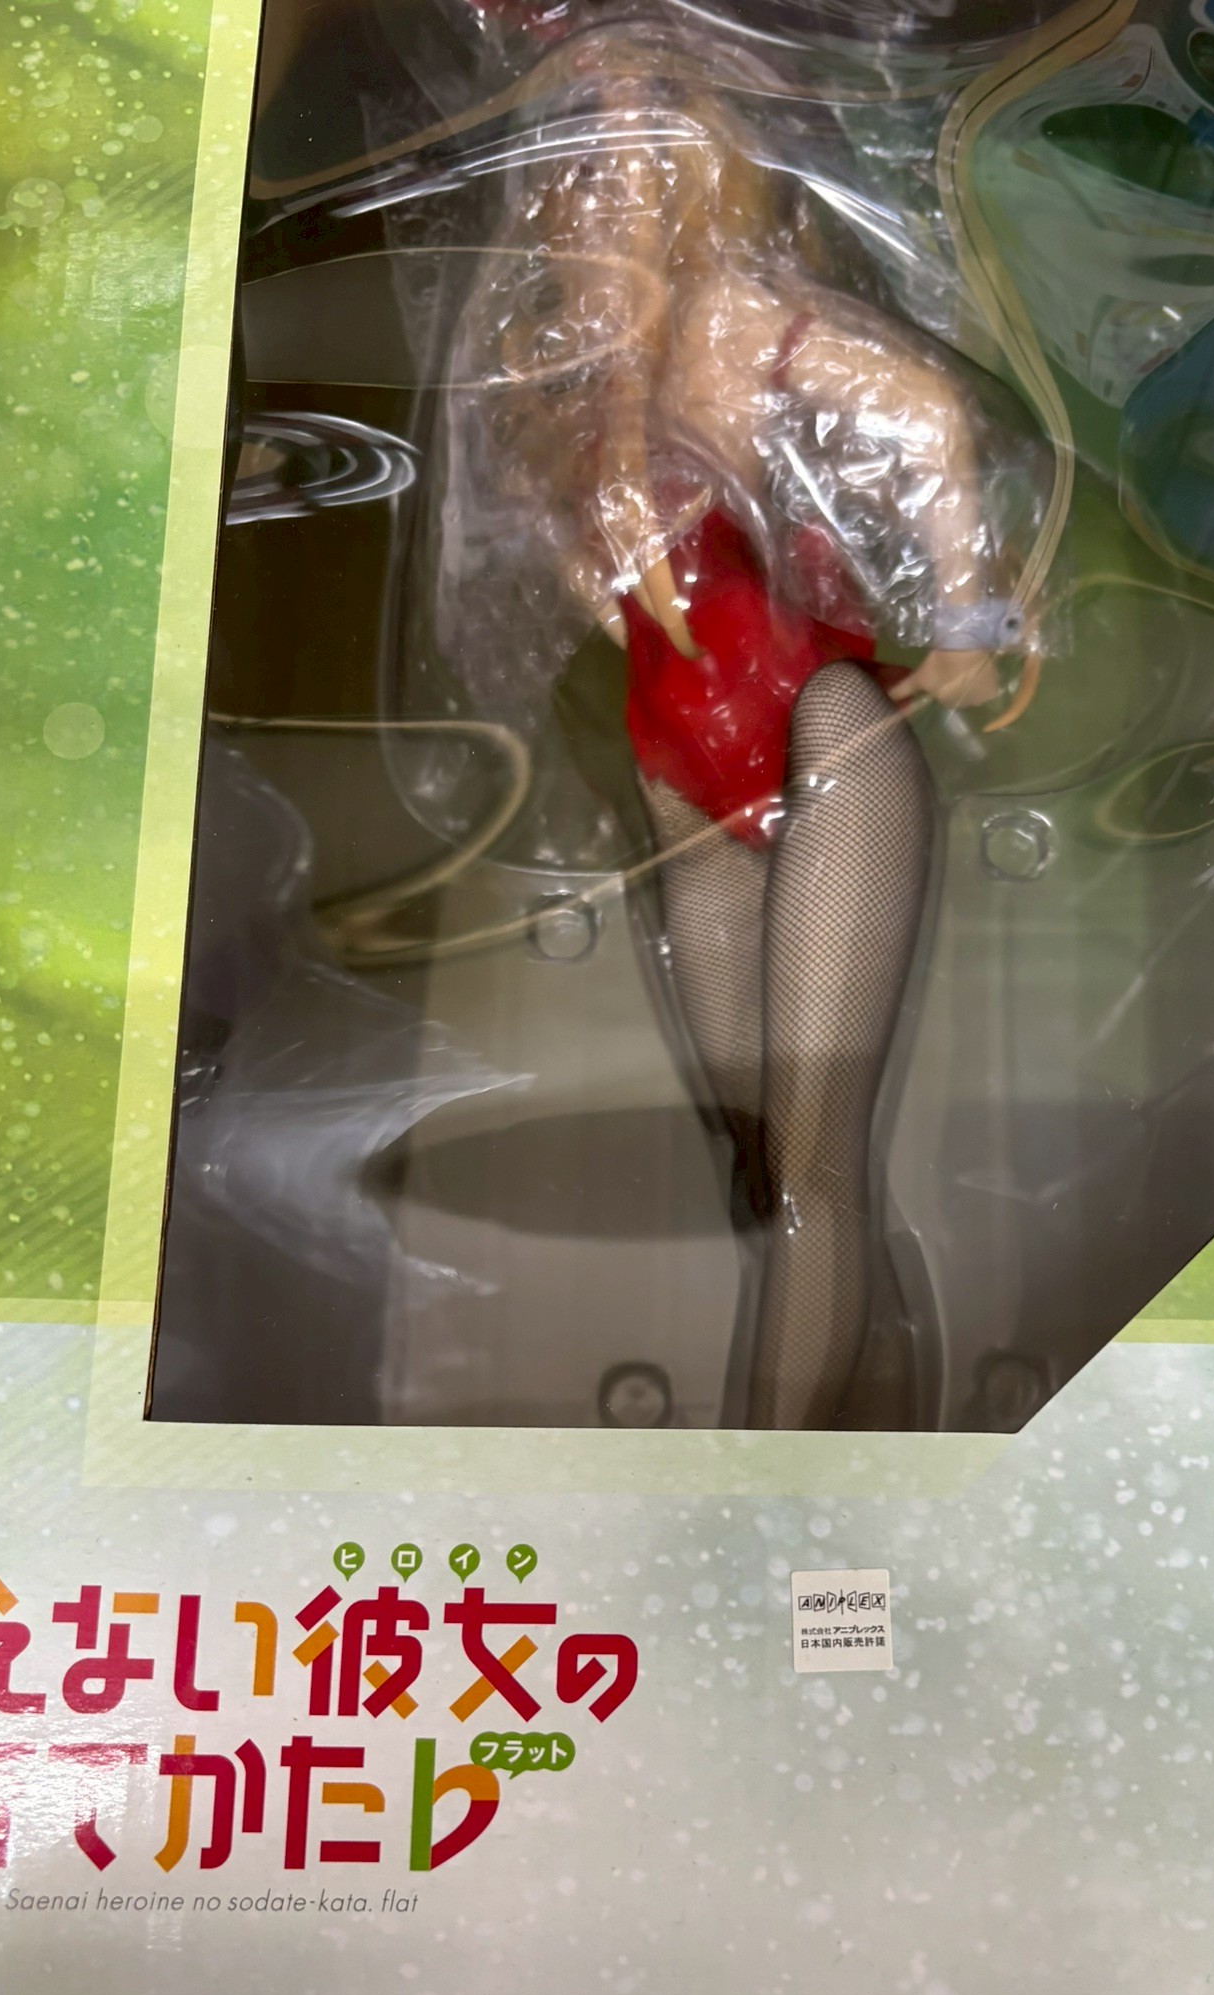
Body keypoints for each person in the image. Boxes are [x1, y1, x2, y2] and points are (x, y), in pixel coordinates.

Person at [426, 18, 1045, 1427]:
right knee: (768, 1171)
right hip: (680, 779)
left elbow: (927, 419)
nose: (614, 175)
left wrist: (965, 623)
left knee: (812, 1171)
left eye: (646, 133)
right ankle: (862, 1443)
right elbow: (563, 565)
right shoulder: (564, 368)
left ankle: (764, 1483)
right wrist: (594, 568)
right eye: (588, 150)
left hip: (824, 730)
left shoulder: (738, 317)